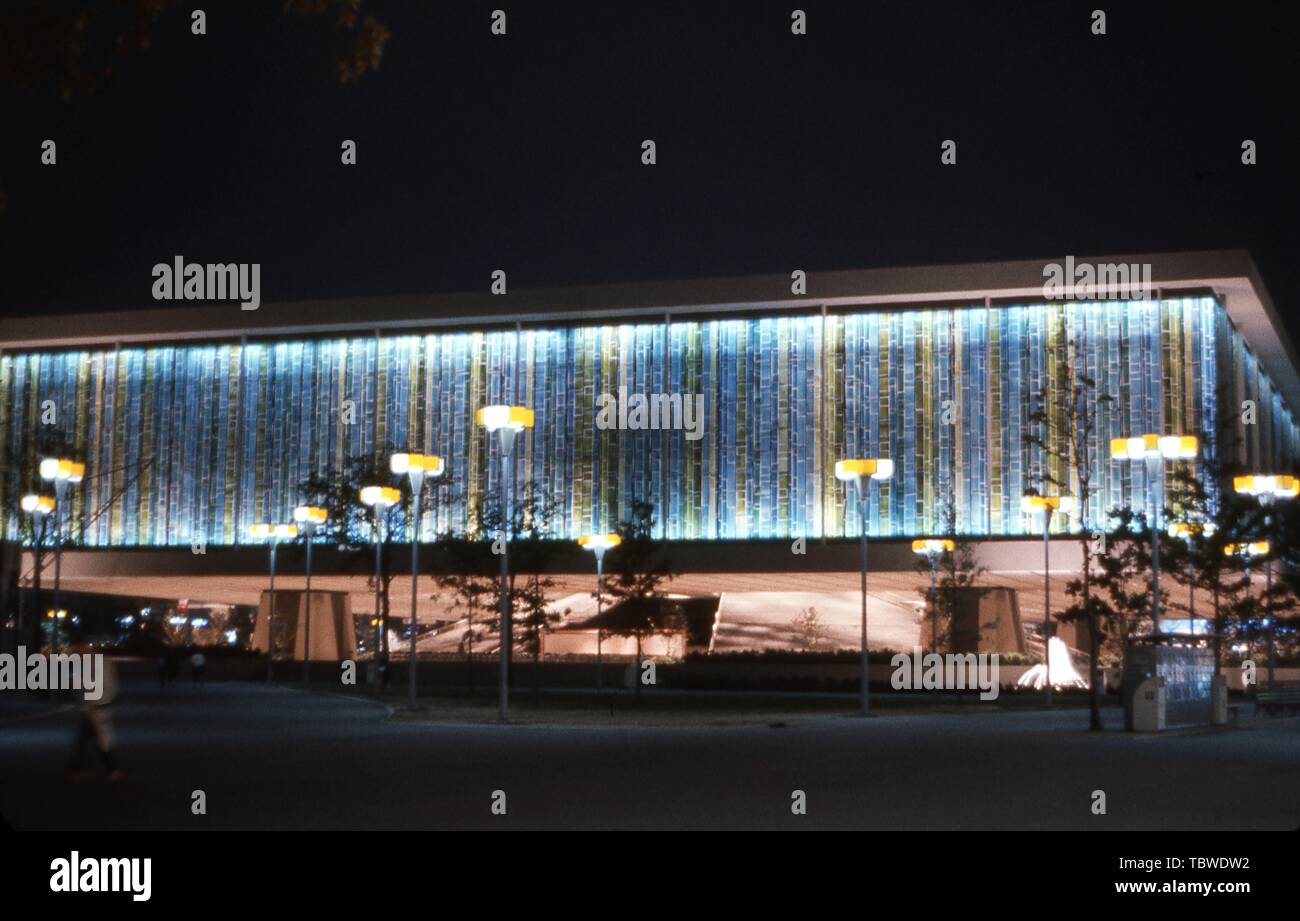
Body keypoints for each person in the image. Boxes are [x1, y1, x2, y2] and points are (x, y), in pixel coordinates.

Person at [65, 643, 121, 782]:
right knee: (97, 739)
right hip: (98, 706)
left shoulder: (90, 664)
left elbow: (83, 685)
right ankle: (110, 769)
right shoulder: (102, 662)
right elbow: (110, 684)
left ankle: (78, 769)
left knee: (93, 739)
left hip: (94, 707)